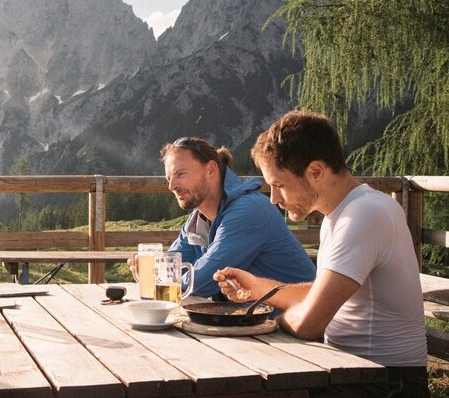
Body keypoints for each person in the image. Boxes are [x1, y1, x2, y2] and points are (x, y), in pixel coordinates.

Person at [215, 110, 428, 397]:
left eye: (279, 185)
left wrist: (258, 323)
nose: (274, 199)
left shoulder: (364, 214)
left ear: (316, 171)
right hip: (352, 372)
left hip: (386, 382)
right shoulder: (340, 215)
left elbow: (308, 323)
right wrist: (259, 289)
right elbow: (323, 292)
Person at [158, 136, 315, 298]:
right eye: (169, 178)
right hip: (247, 319)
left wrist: (163, 277)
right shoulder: (197, 220)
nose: (172, 186)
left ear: (211, 170)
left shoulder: (250, 210)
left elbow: (202, 282)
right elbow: (167, 267)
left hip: (292, 319)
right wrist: (154, 270)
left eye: (180, 174)